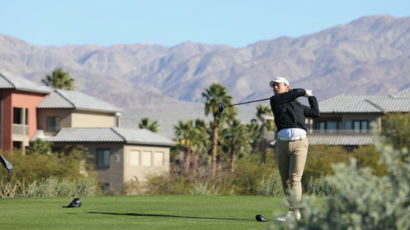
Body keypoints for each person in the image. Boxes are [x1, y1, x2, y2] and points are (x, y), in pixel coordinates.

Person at [269, 76, 320, 221]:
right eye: (274, 86)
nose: (275, 87)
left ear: (287, 87)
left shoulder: (299, 107)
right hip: (282, 143)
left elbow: (316, 113)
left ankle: (293, 212)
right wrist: (304, 91)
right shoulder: (275, 101)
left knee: (295, 179)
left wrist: (311, 96)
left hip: (299, 143)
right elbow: (297, 92)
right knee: (285, 180)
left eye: (279, 85)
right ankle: (293, 211)